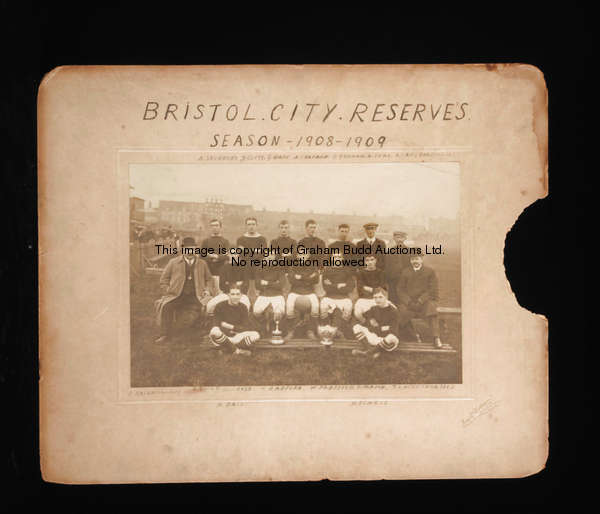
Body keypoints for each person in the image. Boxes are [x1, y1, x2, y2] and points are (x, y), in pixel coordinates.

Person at [154, 237, 213, 344]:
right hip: (177, 295)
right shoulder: (173, 262)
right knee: (166, 307)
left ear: (196, 249)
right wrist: (167, 289)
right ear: (183, 249)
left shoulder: (202, 263)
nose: (190, 252)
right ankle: (164, 334)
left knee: (201, 311)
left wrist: (207, 290)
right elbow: (164, 279)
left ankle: (200, 333)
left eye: (192, 249)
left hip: (196, 295)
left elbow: (209, 279)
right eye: (187, 249)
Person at [396, 254, 443, 349]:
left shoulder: (430, 271)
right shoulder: (405, 272)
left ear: (421, 260)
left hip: (424, 302)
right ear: (410, 261)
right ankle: (410, 336)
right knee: (401, 312)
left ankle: (436, 337)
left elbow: (432, 289)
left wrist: (421, 300)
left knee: (432, 310)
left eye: (417, 259)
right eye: (413, 259)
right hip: (409, 303)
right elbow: (400, 289)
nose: (415, 261)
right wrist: (408, 301)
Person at [209, 285, 260, 356]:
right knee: (214, 331)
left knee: (256, 335)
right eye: (232, 294)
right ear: (228, 295)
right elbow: (216, 324)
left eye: (237, 294)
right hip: (224, 335)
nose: (235, 297)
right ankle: (238, 351)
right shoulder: (220, 306)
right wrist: (229, 330)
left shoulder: (243, 307)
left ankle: (227, 348)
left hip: (236, 336)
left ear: (241, 295)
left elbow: (245, 326)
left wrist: (231, 327)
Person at [352, 288, 400, 359]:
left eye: (380, 297)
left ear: (386, 297)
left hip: (386, 340)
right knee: (356, 327)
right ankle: (372, 351)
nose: (377, 300)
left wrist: (378, 328)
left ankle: (368, 353)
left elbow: (394, 330)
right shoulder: (374, 308)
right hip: (375, 337)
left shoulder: (393, 311)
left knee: (391, 337)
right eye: (375, 297)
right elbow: (364, 317)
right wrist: (370, 319)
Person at [319, 253, 356, 341]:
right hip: (329, 296)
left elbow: (350, 287)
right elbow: (326, 287)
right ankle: (327, 331)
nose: (337, 259)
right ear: (332, 259)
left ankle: (339, 331)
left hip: (344, 297)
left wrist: (333, 285)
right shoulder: (327, 270)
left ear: (342, 259)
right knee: (323, 306)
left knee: (348, 306)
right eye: (335, 257)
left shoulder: (347, 271)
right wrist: (339, 285)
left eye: (339, 257)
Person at [285, 253, 320, 340]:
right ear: (297, 256)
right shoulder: (293, 265)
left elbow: (316, 280)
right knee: (289, 306)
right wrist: (308, 278)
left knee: (316, 306)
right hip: (295, 291)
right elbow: (292, 280)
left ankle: (310, 331)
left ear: (308, 256)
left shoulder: (313, 265)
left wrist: (300, 277)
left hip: (309, 291)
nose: (302, 257)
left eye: (305, 255)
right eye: (300, 255)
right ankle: (291, 331)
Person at [205, 250, 251, 316]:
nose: (233, 256)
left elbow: (246, 284)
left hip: (240, 294)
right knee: (210, 305)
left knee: (246, 305)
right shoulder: (223, 268)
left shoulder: (245, 267)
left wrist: (229, 284)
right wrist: (237, 284)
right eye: (231, 254)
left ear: (238, 255)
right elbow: (222, 285)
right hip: (226, 294)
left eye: (235, 254)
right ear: (228, 255)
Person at [253, 253, 286, 337]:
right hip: (264, 294)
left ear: (275, 257)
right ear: (264, 257)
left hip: (277, 294)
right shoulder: (259, 268)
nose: (269, 257)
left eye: (272, 255)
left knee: (279, 312)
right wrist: (274, 283)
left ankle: (273, 326)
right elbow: (257, 285)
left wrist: (266, 282)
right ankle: (263, 325)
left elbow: (281, 285)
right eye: (267, 255)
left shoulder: (280, 268)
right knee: (256, 311)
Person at [236, 217, 268, 291]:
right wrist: (256, 250)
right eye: (249, 224)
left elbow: (263, 253)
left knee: (259, 285)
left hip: (258, 265)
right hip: (245, 265)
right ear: (246, 226)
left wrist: (246, 250)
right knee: (244, 286)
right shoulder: (241, 239)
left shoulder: (262, 239)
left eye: (253, 224)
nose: (251, 226)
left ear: (256, 225)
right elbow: (240, 254)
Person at [354, 255, 387, 323]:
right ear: (365, 262)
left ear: (375, 261)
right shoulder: (361, 273)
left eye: (372, 260)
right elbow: (360, 288)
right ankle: (366, 324)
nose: (370, 262)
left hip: (378, 298)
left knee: (389, 310)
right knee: (357, 313)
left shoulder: (381, 272)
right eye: (367, 260)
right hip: (364, 299)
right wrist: (375, 289)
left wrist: (371, 289)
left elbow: (382, 289)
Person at [200, 219, 230, 293]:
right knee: (207, 293)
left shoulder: (225, 241)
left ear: (220, 227)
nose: (214, 227)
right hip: (208, 270)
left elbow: (227, 256)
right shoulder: (206, 241)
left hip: (220, 271)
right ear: (210, 228)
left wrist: (217, 257)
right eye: (212, 226)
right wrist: (211, 258)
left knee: (220, 292)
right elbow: (202, 256)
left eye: (216, 225)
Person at [384, 230, 411, 306]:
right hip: (393, 281)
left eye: (401, 237)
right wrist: (387, 281)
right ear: (394, 238)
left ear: (405, 238)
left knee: (404, 300)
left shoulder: (410, 251)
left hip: (406, 281)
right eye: (397, 237)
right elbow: (387, 267)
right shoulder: (390, 252)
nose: (399, 240)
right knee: (393, 301)